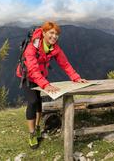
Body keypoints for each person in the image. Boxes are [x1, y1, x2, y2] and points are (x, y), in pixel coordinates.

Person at [16, 21, 87, 149]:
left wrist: (76, 78)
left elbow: (65, 64)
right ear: (43, 33)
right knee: (32, 102)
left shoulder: (55, 48)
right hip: (27, 76)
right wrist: (45, 84)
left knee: (38, 102)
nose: (54, 36)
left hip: (41, 77)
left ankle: (37, 128)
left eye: (57, 34)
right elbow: (32, 69)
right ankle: (32, 134)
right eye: (51, 33)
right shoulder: (32, 46)